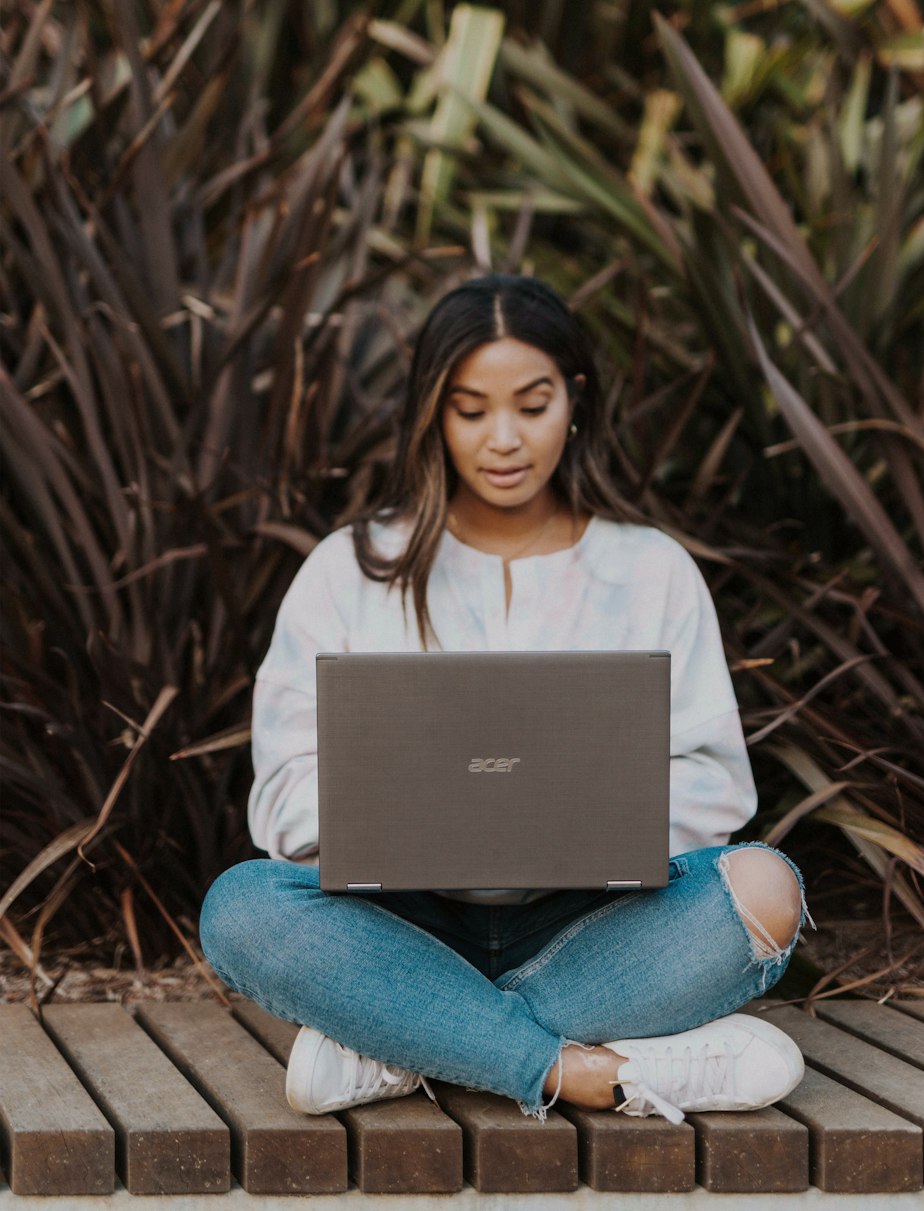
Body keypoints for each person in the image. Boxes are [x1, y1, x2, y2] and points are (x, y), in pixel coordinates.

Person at [199, 273, 810, 1124]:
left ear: (575, 398)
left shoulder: (650, 567)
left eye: (532, 404)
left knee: (767, 886)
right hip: (398, 925)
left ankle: (403, 1039)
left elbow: (715, 784)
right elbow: (283, 794)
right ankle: (585, 1068)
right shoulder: (350, 567)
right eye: (470, 408)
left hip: (594, 927)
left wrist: (572, 823)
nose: (504, 439)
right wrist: (425, 821)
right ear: (432, 414)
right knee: (241, 908)